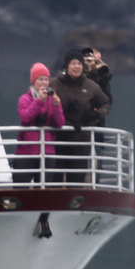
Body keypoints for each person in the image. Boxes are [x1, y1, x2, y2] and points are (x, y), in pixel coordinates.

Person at [51, 49, 110, 185]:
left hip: (80, 140)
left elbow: (106, 102)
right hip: (58, 140)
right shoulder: (55, 83)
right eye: (73, 63)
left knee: (77, 181)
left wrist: (96, 114)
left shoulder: (91, 86)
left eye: (79, 63)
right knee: (55, 180)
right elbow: (41, 101)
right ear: (67, 65)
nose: (76, 66)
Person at [14, 62, 65, 186]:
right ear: (33, 81)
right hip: (27, 150)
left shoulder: (51, 100)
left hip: (47, 149)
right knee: (21, 187)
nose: (43, 83)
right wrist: (39, 101)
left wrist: (56, 105)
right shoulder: (24, 99)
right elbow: (26, 117)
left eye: (46, 79)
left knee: (44, 188)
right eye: (40, 79)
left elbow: (59, 123)